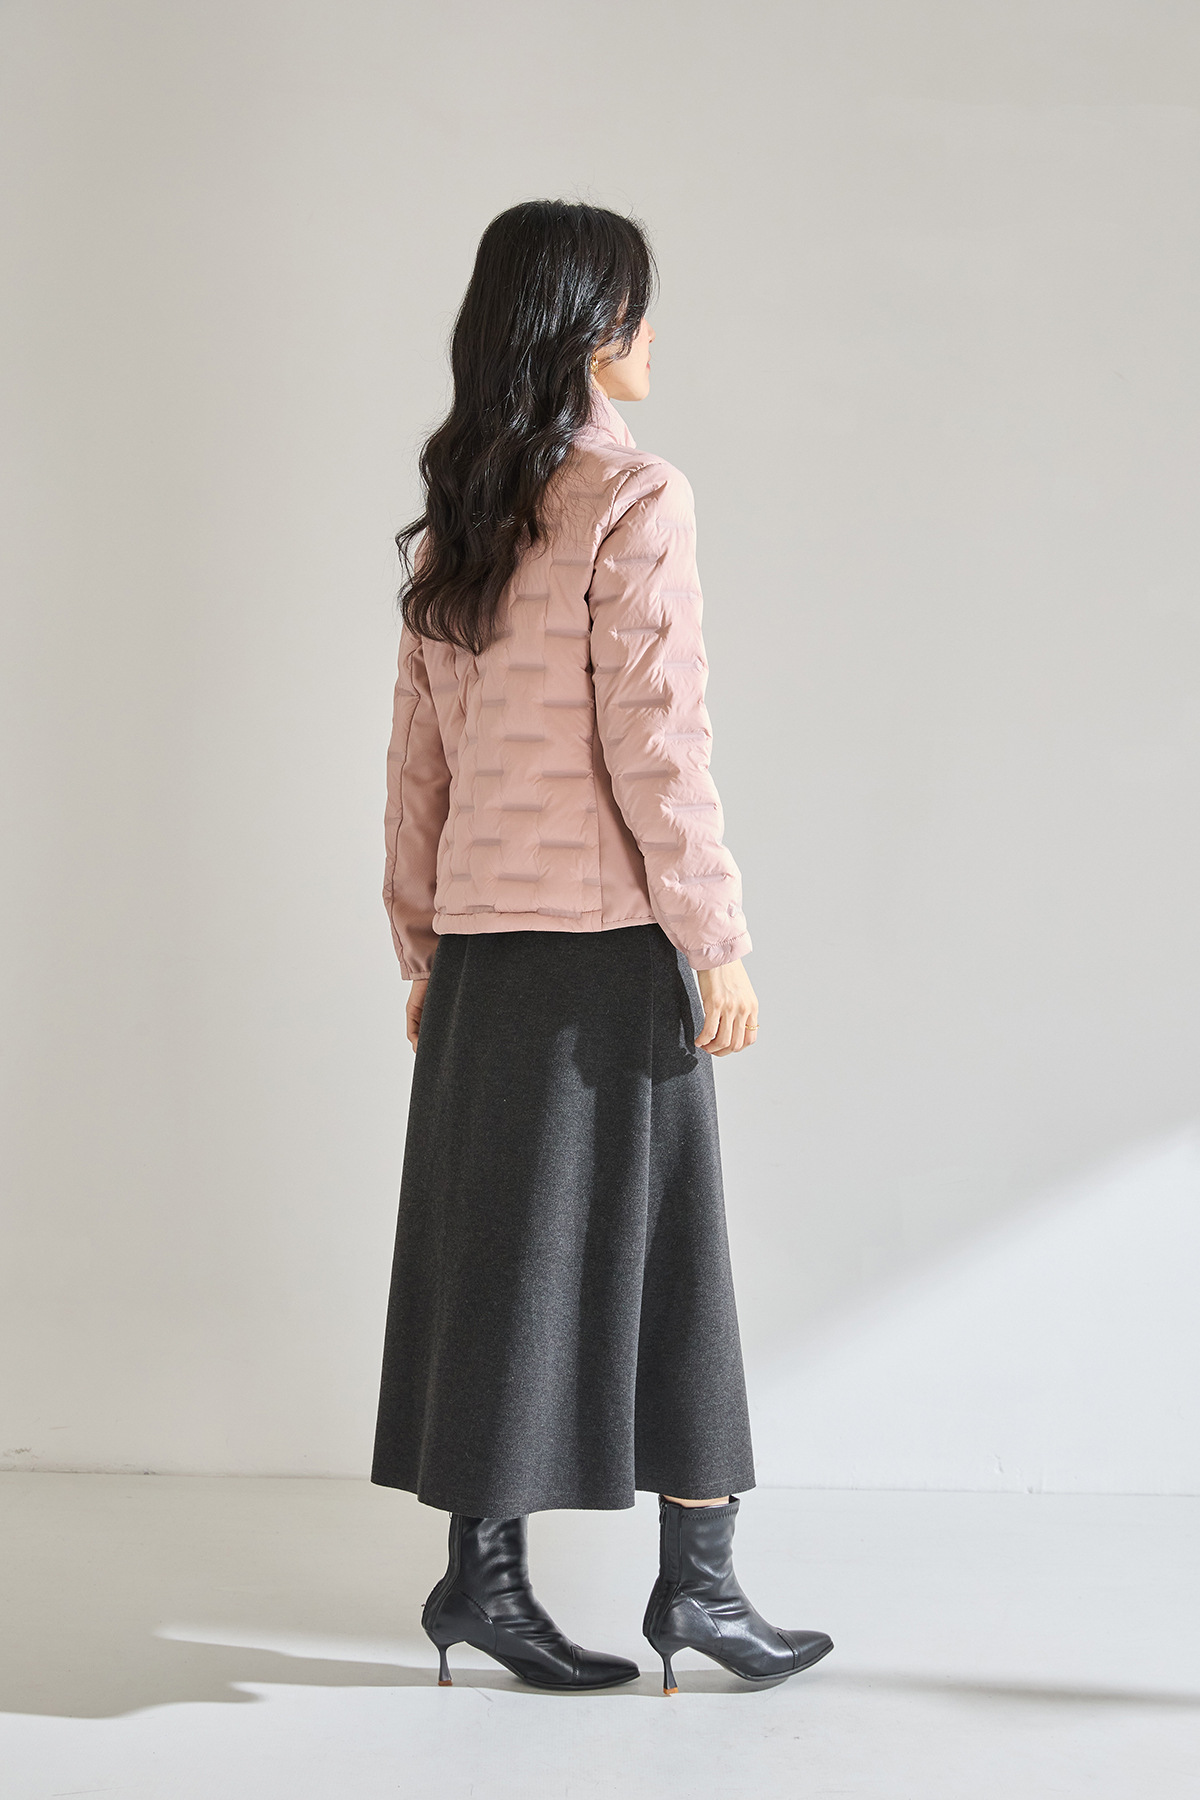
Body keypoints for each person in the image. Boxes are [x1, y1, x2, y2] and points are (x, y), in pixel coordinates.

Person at [371, 199, 832, 1696]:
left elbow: (416, 761)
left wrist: (423, 948)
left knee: (495, 1266)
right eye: (634, 309)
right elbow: (660, 743)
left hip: (484, 958)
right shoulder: (635, 497)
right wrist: (719, 939)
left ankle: (482, 1583)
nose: (648, 336)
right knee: (673, 1262)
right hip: (608, 946)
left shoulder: (462, 514)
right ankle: (698, 1588)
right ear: (585, 328)